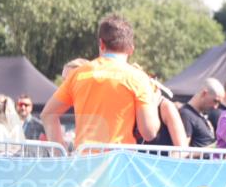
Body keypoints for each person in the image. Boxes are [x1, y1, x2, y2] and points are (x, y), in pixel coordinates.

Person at [41, 16, 160, 149]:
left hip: (85, 162)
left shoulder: (78, 74)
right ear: (131, 49)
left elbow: (48, 115)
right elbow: (149, 132)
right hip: (119, 163)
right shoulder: (138, 78)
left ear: (101, 44)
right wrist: (153, 102)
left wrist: (61, 155)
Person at [181, 78, 224, 149]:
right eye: (215, 101)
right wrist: (213, 147)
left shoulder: (201, 116)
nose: (216, 107)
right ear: (204, 93)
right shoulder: (186, 115)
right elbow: (182, 151)